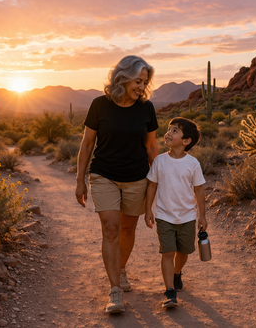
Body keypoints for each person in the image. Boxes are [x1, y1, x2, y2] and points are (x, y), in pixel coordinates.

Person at [75, 55, 159, 314]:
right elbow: (87, 144)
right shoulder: (100, 105)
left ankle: (121, 269)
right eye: (138, 81)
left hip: (137, 177)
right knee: (110, 229)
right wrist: (80, 180)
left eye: (145, 83)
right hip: (104, 175)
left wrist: (159, 182)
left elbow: (152, 147)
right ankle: (115, 291)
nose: (142, 88)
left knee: (127, 230)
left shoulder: (146, 108)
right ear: (123, 77)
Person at [144, 117, 207, 308]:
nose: (168, 133)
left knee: (183, 251)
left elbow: (199, 190)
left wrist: (202, 215)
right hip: (164, 216)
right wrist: (148, 209)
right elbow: (152, 186)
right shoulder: (159, 161)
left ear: (186, 141)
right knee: (168, 252)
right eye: (168, 129)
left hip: (187, 216)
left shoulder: (193, 163)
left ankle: (177, 272)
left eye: (174, 131)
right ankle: (169, 291)